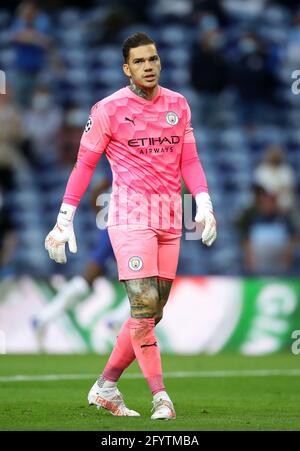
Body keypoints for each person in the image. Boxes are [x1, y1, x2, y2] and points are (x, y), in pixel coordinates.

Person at [44, 32, 217, 420]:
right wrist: (63, 220)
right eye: (139, 61)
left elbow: (189, 159)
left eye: (153, 59)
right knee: (142, 310)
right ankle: (161, 397)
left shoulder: (179, 104)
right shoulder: (107, 109)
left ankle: (106, 386)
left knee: (152, 314)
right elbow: (84, 165)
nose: (148, 66)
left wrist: (203, 200)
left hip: (171, 218)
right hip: (128, 216)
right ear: (127, 68)